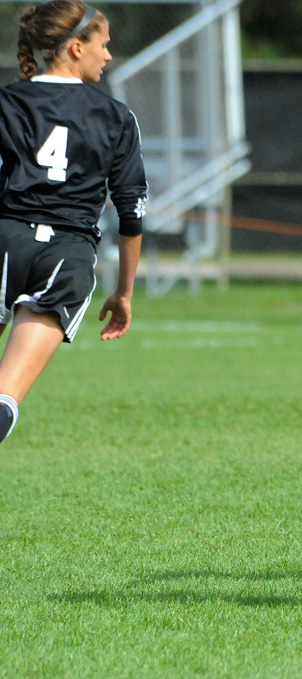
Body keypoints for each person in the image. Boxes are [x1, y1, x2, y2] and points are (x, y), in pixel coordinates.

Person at [0, 0, 147, 443]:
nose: (108, 55)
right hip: (66, 258)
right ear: (76, 46)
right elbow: (131, 214)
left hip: (4, 241)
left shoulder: (6, 102)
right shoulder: (115, 117)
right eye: (103, 44)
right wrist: (124, 292)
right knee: (4, 398)